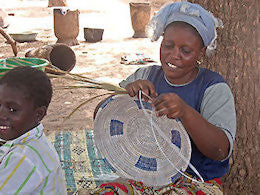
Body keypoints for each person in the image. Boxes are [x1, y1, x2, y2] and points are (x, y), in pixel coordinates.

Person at [92, 1, 236, 194]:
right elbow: (100, 115)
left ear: (201, 53)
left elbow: (220, 151)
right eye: (168, 45)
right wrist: (127, 96)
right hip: (143, 177)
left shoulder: (213, 87)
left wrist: (185, 112)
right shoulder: (145, 76)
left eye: (186, 51)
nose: (174, 55)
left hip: (197, 179)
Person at [0, 66, 67, 194]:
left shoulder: (24, 158)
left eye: (13, 110)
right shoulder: (31, 138)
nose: (1, 114)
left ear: (39, 114)